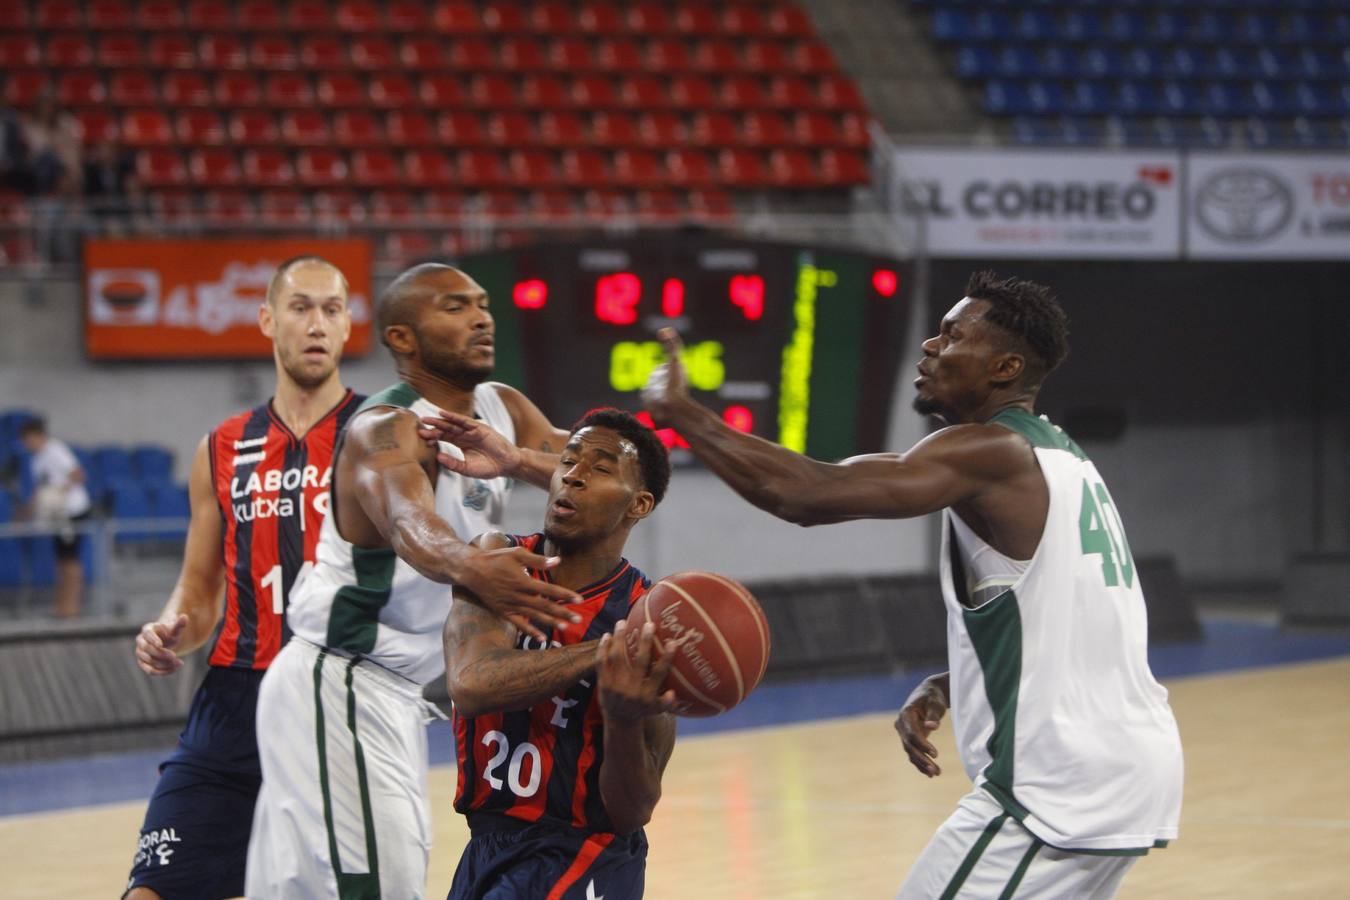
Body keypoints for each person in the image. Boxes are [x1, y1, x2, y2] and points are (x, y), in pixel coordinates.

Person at [641, 271, 1183, 898]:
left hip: (1057, 786)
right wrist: (958, 680)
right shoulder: (1063, 458)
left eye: (952, 336)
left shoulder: (991, 453)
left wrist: (681, 413)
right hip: (1130, 768)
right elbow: (1082, 623)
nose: (930, 346)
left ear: (1005, 368)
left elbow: (805, 494)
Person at [246, 263, 583, 900]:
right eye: (455, 307)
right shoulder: (385, 426)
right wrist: (470, 564)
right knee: (386, 888)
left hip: (387, 693)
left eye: (482, 304)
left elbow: (591, 472)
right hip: (340, 682)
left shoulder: (502, 408)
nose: (481, 318)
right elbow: (409, 523)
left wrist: (518, 461)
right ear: (402, 338)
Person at [125, 256, 363, 900]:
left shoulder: (379, 436)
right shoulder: (222, 447)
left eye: (331, 310)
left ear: (347, 327)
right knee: (152, 890)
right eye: (300, 307)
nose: (317, 324)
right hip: (234, 701)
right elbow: (199, 590)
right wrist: (170, 629)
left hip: (340, 699)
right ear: (267, 320)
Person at [443, 407, 677, 900]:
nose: (573, 475)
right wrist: (603, 652)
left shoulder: (646, 615)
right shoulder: (499, 559)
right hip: (487, 845)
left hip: (586, 855)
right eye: (568, 461)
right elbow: (472, 682)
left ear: (639, 504)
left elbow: (634, 811)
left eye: (601, 467)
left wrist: (624, 719)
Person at [18, 416, 92, 618]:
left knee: (70, 560)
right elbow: (42, 489)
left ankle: (71, 608)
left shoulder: (56, 450)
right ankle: (62, 607)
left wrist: (58, 493)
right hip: (57, 515)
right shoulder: (37, 460)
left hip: (73, 512)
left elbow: (78, 475)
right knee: (61, 561)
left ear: (37, 436)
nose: (27, 445)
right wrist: (28, 509)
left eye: (28, 439)